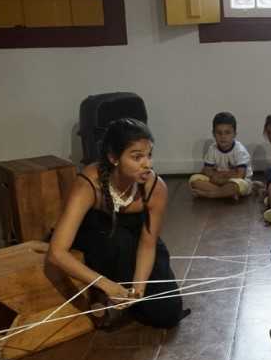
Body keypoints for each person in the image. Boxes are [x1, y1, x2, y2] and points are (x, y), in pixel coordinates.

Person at [47, 118, 186, 329]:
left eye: (149, 155)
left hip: (136, 241)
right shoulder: (89, 184)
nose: (147, 164)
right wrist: (106, 285)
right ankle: (98, 293)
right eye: (137, 157)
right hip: (100, 238)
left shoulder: (155, 188)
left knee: (167, 313)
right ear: (113, 158)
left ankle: (125, 296)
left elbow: (148, 244)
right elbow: (56, 253)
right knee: (114, 241)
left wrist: (138, 290)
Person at [189, 111, 255, 200]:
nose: (223, 136)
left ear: (234, 134)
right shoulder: (212, 149)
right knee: (194, 180)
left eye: (227, 133)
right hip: (217, 180)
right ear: (213, 134)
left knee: (237, 185)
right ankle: (225, 194)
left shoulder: (240, 151)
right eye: (219, 133)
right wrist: (218, 178)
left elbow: (240, 175)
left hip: (236, 181)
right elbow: (207, 171)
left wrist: (221, 177)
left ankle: (212, 194)